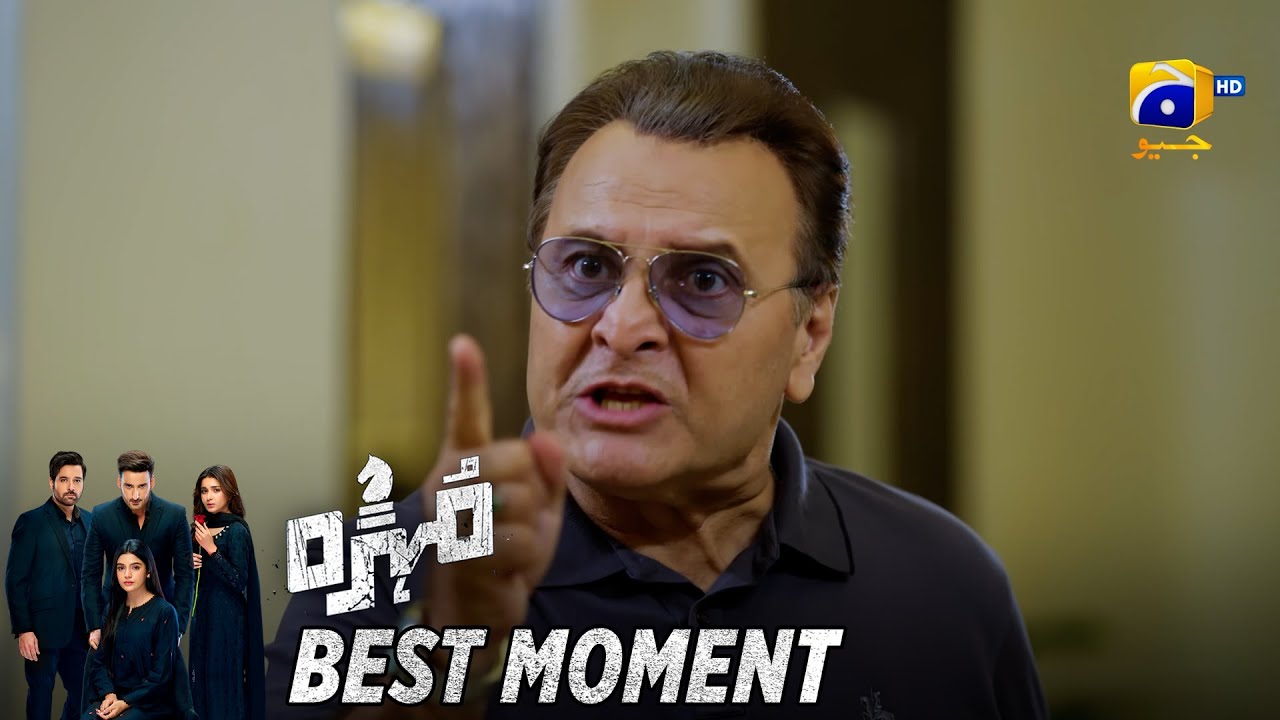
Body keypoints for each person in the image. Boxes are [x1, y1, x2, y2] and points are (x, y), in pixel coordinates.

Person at [268, 50, 1047, 719]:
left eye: (703, 279)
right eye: (586, 266)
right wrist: (446, 655)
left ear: (809, 334)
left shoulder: (945, 586)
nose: (623, 326)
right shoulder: (372, 580)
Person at [6, 451, 94, 720]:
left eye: (77, 480)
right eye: (64, 480)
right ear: (51, 482)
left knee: (83, 695)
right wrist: (24, 629)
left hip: (80, 630)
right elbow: (15, 580)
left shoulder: (90, 521)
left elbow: (94, 575)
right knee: (41, 698)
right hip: (41, 632)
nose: (71, 487)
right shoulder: (31, 522)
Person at [81, 451, 194, 646]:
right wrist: (94, 625)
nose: (135, 495)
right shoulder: (102, 516)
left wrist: (178, 628)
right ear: (119, 483)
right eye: (128, 486)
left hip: (161, 618)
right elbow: (90, 574)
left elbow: (185, 575)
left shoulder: (174, 515)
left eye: (142, 486)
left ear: (152, 482)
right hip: (114, 618)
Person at [187, 465, 266, 720]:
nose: (209, 497)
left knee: (224, 684)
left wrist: (212, 550)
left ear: (229, 493)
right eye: (204, 491)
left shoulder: (237, 530)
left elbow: (238, 580)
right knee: (200, 680)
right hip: (202, 617)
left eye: (216, 490)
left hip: (228, 620)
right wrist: (189, 564)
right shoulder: (197, 529)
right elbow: (187, 580)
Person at [80, 540, 182, 719]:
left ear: (148, 571)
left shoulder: (165, 612)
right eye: (121, 568)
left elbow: (161, 675)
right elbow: (99, 663)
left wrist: (125, 703)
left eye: (135, 567)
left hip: (149, 701)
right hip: (115, 695)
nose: (127, 574)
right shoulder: (112, 610)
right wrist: (110, 695)